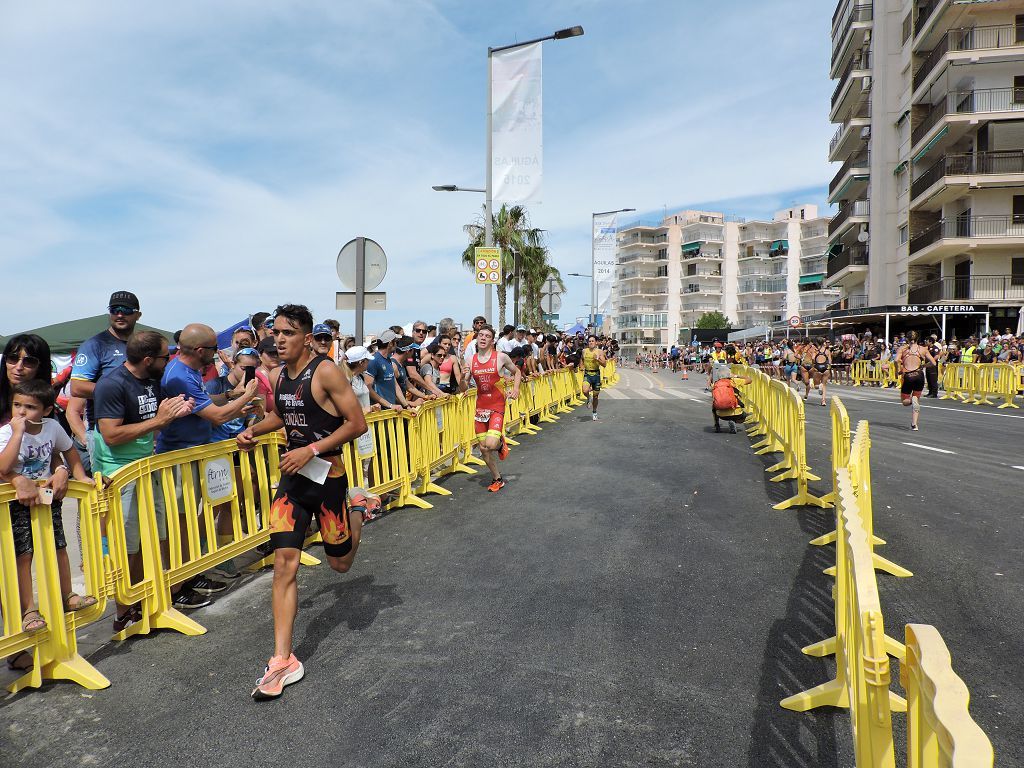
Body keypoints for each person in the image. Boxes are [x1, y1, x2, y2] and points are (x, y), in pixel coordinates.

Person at [237, 304, 367, 701]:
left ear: (306, 338)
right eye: (275, 332)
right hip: (293, 480)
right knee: (284, 563)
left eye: (288, 333)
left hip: (329, 478)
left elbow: (356, 423)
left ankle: (359, 508)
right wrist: (254, 431)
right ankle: (282, 659)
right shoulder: (277, 376)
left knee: (340, 564)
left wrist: (311, 449)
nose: (278, 338)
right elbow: (284, 416)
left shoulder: (326, 370)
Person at [93, 331, 198, 627]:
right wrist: (159, 422)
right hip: (120, 475)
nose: (171, 360)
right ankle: (124, 611)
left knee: (157, 537)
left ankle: (150, 598)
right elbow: (111, 435)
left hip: (147, 468)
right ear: (149, 359)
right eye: (167, 356)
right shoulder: (112, 385)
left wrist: (179, 411)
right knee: (128, 546)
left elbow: (158, 415)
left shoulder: (152, 380)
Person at [156, 323, 260, 602]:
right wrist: (247, 395)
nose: (218, 354)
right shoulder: (180, 374)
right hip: (178, 456)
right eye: (214, 349)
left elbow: (205, 402)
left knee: (189, 518)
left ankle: (189, 574)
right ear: (201, 350)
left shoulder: (187, 371)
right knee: (180, 523)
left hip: (191, 452)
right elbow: (218, 417)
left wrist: (231, 396)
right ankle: (177, 584)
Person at [0, 380, 97, 644]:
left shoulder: (52, 427)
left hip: (46, 498)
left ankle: (68, 596)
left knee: (59, 547)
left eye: (30, 407)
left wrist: (78, 475)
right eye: (17, 405)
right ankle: (29, 610)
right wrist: (18, 433)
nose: (21, 412)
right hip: (16, 502)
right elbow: (3, 467)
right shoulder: (7, 433)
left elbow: (69, 451)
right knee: (24, 554)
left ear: (45, 410)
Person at [70, 291, 144, 472]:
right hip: (107, 437)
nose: (119, 314)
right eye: (114, 309)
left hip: (140, 435)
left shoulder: (142, 344)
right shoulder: (96, 344)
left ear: (138, 315)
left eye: (126, 310)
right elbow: (77, 387)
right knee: (110, 498)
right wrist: (124, 392)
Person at [463, 325, 521, 493]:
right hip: (481, 407)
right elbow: (463, 388)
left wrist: (516, 389)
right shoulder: (470, 360)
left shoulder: (501, 357)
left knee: (490, 443)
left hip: (496, 405)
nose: (483, 338)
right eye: (480, 335)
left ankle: (500, 442)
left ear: (492, 340)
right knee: (483, 448)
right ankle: (497, 478)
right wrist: (461, 377)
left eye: (487, 336)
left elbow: (516, 372)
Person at [895, 331, 935, 432]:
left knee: (905, 401)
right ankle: (914, 424)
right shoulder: (923, 349)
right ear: (918, 339)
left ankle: (912, 401)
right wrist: (923, 366)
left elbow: (896, 360)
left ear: (907, 339)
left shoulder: (903, 349)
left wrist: (897, 371)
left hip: (908, 375)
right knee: (916, 399)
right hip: (919, 375)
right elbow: (933, 363)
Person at [710, 360, 750, 434]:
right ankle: (733, 420)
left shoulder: (715, 384)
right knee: (743, 415)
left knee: (713, 406)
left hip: (720, 414)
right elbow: (749, 380)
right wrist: (735, 375)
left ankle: (717, 425)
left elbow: (714, 398)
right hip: (736, 413)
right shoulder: (733, 381)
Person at [581, 334, 607, 421]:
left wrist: (597, 359)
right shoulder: (584, 351)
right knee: (584, 390)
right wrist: (581, 366)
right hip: (587, 374)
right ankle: (588, 398)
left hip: (596, 375)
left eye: (592, 341)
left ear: (596, 343)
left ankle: (594, 412)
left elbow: (604, 364)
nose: (591, 342)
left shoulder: (599, 352)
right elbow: (581, 359)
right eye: (589, 341)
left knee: (596, 396)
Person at [810, 338, 831, 407]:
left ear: (817, 343)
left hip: (817, 367)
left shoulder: (815, 351)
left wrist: (814, 363)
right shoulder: (827, 351)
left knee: (816, 385)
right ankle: (823, 401)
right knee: (824, 385)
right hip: (825, 367)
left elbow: (813, 358)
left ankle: (819, 386)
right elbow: (830, 361)